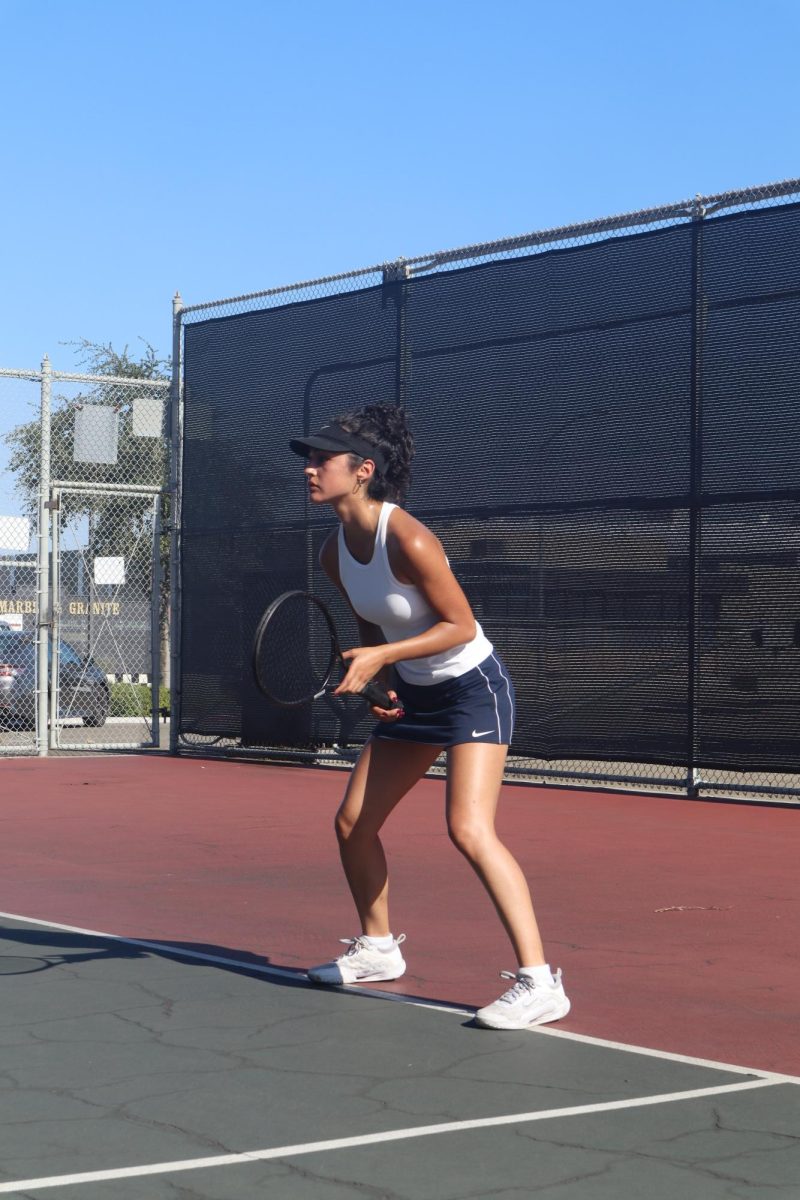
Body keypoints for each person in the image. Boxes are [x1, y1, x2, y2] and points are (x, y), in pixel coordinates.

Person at [288, 402, 569, 1030]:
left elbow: (459, 625)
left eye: (320, 460)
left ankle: (540, 982)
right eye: (307, 459)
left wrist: (386, 653)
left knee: (468, 829)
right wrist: (381, 678)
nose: (308, 469)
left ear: (362, 470)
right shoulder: (334, 552)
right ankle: (379, 948)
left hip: (472, 690)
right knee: (352, 822)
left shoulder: (408, 536)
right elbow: (372, 625)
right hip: (414, 694)